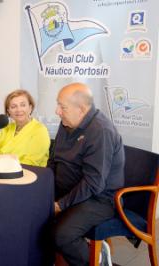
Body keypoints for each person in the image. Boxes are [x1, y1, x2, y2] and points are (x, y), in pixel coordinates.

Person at [49, 83, 125, 266]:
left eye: (62, 107)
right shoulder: (68, 122)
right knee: (27, 212)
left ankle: (98, 261)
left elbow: (93, 183)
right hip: (69, 190)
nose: (57, 111)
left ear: (81, 109)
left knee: (62, 235)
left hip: (99, 199)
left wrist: (60, 205)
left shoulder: (101, 131)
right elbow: (54, 161)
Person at [0, 89, 50, 167]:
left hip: (30, 175)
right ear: (8, 111)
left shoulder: (40, 130)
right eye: (13, 106)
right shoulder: (7, 128)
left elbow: (31, 163)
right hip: (1, 172)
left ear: (30, 108)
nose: (19, 110)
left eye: (23, 105)